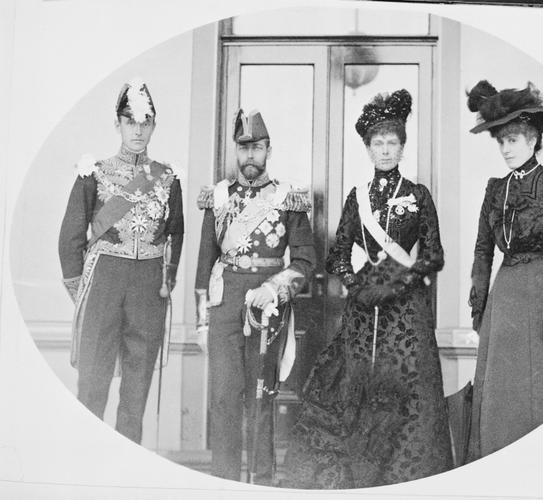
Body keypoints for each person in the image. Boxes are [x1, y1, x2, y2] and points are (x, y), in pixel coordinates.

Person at [284, 89, 453, 489]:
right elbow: (337, 254)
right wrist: (358, 284)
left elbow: (433, 254)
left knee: (403, 393)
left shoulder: (417, 195)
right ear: (368, 148)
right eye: (378, 143)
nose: (385, 150)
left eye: (392, 143)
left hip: (405, 317)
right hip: (362, 316)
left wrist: (397, 284)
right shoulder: (356, 198)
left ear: (402, 146)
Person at [465, 80, 543, 462]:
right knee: (506, 400)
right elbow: (483, 250)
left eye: (514, 140)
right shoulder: (494, 189)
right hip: (504, 301)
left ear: (534, 139)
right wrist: (480, 304)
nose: (506, 149)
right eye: (501, 141)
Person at [58, 78, 184, 443]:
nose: (138, 130)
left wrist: (165, 281)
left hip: (148, 288)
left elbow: (175, 233)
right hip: (103, 283)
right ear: (118, 124)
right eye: (131, 121)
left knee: (135, 392)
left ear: (154, 126)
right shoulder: (93, 174)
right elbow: (69, 239)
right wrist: (82, 292)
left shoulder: (167, 179)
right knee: (92, 387)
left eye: (145, 123)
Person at [195, 109, 316, 484]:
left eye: (257, 148)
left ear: (268, 150)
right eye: (243, 148)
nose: (250, 156)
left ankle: (262, 481)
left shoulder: (287, 198)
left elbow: (306, 261)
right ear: (236, 150)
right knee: (224, 398)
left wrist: (274, 288)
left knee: (262, 397)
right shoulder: (218, 197)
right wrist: (202, 318)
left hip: (268, 305)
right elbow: (204, 262)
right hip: (225, 302)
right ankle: (223, 481)